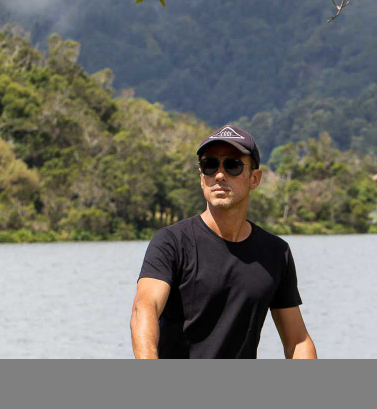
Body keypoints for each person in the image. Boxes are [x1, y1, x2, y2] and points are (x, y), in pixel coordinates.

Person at [132, 125, 316, 358]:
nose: (219, 175)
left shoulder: (276, 253)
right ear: (202, 178)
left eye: (233, 165)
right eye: (210, 165)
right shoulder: (171, 243)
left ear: (254, 178)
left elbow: (297, 341)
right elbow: (145, 308)